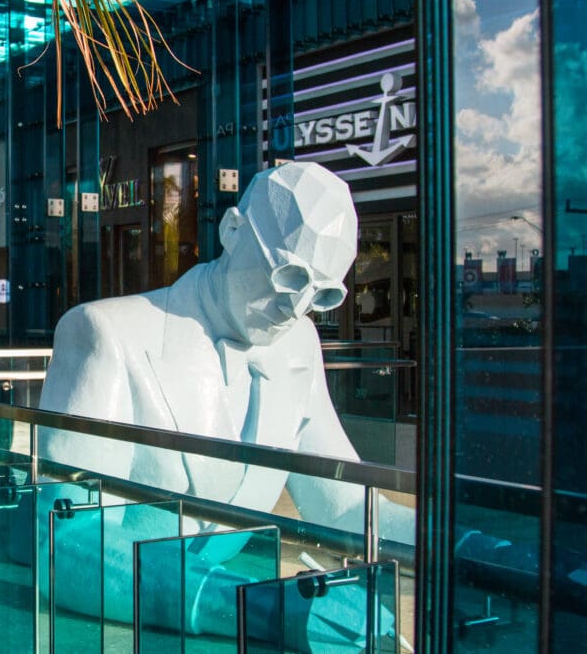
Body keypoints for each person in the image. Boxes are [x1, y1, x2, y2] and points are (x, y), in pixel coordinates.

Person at [38, 161, 410, 646]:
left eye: (321, 295)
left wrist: (477, 547)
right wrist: (265, 606)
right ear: (232, 230)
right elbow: (65, 542)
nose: (294, 309)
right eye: (289, 275)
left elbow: (341, 506)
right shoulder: (103, 334)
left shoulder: (298, 346)